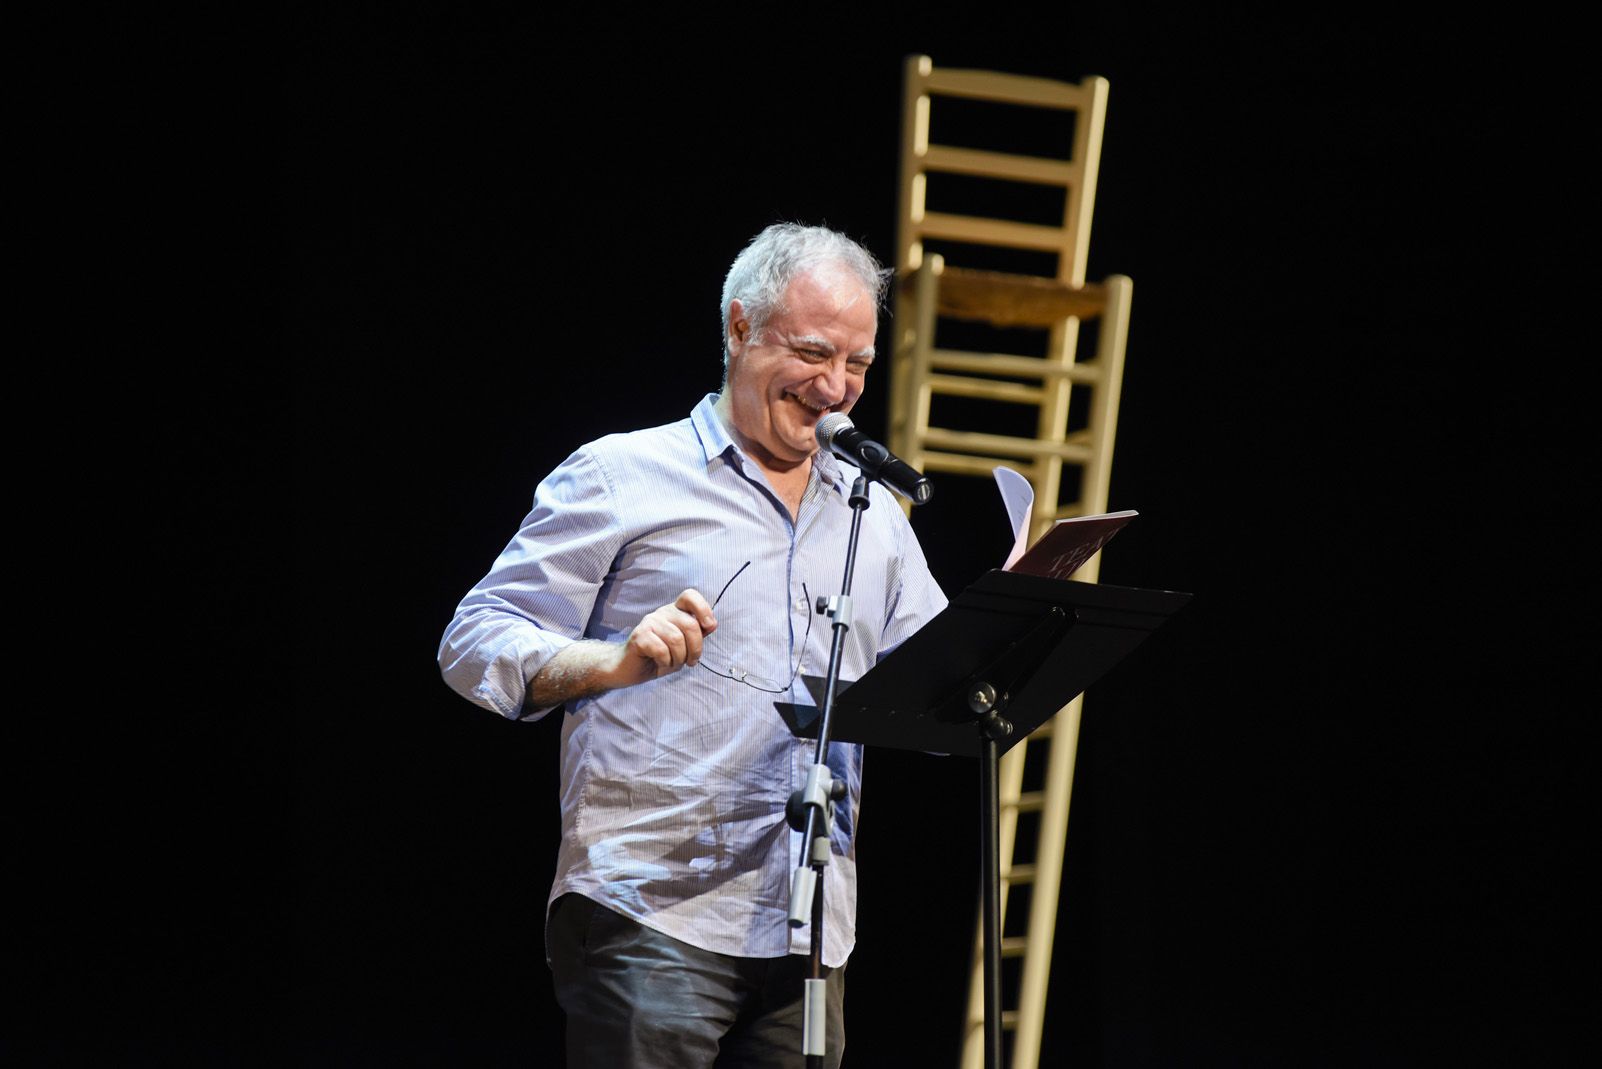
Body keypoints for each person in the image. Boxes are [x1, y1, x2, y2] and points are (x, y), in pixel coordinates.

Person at [438, 223, 947, 1067]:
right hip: (651, 915)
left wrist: (1014, 615)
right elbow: (473, 640)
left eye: (857, 363)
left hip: (810, 928)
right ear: (739, 328)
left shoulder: (870, 514)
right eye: (815, 353)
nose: (836, 388)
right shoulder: (622, 474)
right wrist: (614, 661)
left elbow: (934, 684)